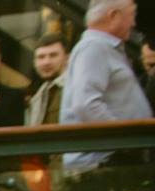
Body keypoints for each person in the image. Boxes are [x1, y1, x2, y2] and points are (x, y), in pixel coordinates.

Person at [62, 0, 153, 172]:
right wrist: (125, 141)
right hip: (105, 165)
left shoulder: (102, 48)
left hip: (115, 160)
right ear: (113, 16)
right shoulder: (94, 48)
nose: (133, 23)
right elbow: (86, 104)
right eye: (131, 15)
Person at [25, 35, 69, 126]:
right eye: (41, 57)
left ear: (67, 58)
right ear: (34, 62)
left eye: (53, 55)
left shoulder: (76, 87)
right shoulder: (38, 96)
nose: (46, 62)